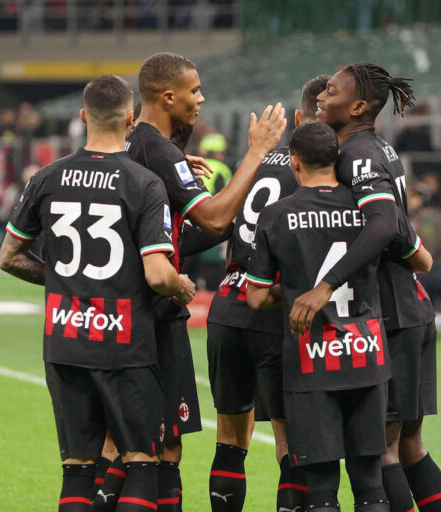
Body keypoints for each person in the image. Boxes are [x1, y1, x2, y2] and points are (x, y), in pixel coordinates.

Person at [0, 74, 196, 512]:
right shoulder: (144, 183)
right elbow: (158, 275)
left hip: (65, 339)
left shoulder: (47, 177)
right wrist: (181, 285)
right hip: (124, 343)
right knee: (141, 462)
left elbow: (9, 257)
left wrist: (67, 283)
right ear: (130, 119)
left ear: (83, 116)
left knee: (78, 468)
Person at [123, 52, 286, 511]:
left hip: (130, 311)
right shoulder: (158, 149)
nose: (201, 99)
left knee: (133, 444)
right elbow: (212, 220)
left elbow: (182, 236)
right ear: (167, 96)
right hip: (155, 312)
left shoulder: (139, 144)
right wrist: (256, 153)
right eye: (194, 90)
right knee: (159, 447)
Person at [289, 63, 441, 512]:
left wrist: (325, 285)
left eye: (331, 91)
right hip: (409, 306)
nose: (321, 97)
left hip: (393, 315)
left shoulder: (357, 154)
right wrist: (416, 250)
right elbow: (394, 224)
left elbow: (381, 225)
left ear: (359, 106)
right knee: (409, 446)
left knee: (384, 450)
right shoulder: (376, 147)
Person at [246, 121, 392, 512]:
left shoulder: (276, 215)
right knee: (370, 485)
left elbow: (256, 298)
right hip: (366, 353)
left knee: (322, 490)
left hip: (312, 359)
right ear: (337, 157)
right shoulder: (368, 208)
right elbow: (414, 254)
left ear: (294, 162)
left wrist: (296, 292)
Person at [205, 74, 328, 512]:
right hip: (277, 311)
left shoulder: (257, 160)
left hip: (228, 304)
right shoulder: (319, 170)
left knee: (229, 439)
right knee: (291, 442)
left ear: (297, 116)